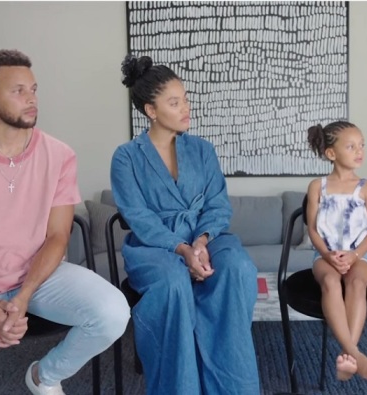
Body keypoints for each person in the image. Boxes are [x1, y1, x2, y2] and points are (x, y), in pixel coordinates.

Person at [0, 49, 130, 395]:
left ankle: (43, 376)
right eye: (18, 91)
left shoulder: (60, 156)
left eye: (33, 90)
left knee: (112, 313)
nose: (31, 99)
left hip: (40, 276)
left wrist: (24, 295)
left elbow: (58, 235)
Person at [110, 54, 260, 395]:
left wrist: (202, 242)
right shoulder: (126, 157)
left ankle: (232, 385)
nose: (186, 108)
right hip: (155, 247)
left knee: (237, 267)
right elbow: (139, 217)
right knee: (174, 283)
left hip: (205, 236)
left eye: (186, 99)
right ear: (151, 110)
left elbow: (218, 204)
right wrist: (182, 249)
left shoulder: (203, 150)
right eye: (174, 102)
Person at [305, 121, 367, 381]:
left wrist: (355, 255)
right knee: (330, 281)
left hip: (359, 254)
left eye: (361, 145)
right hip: (324, 255)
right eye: (351, 146)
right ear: (331, 154)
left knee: (357, 284)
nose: (359, 151)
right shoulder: (318, 186)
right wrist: (328, 255)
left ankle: (347, 357)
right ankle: (356, 355)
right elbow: (313, 230)